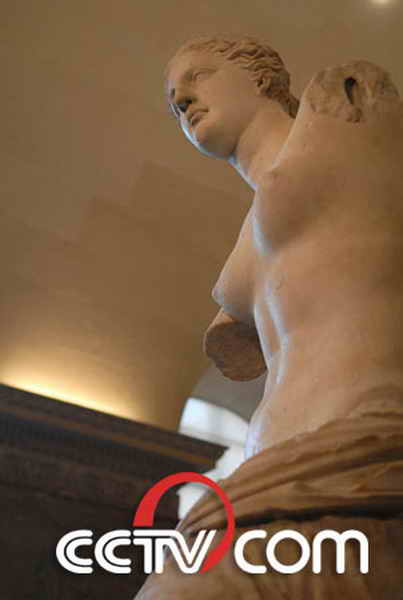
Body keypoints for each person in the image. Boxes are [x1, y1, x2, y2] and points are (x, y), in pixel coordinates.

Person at [134, 35, 403, 599]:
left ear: (260, 77)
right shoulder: (246, 237)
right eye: (172, 100)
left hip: (363, 449)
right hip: (264, 472)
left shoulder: (341, 114)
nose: (182, 100)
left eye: (198, 76)